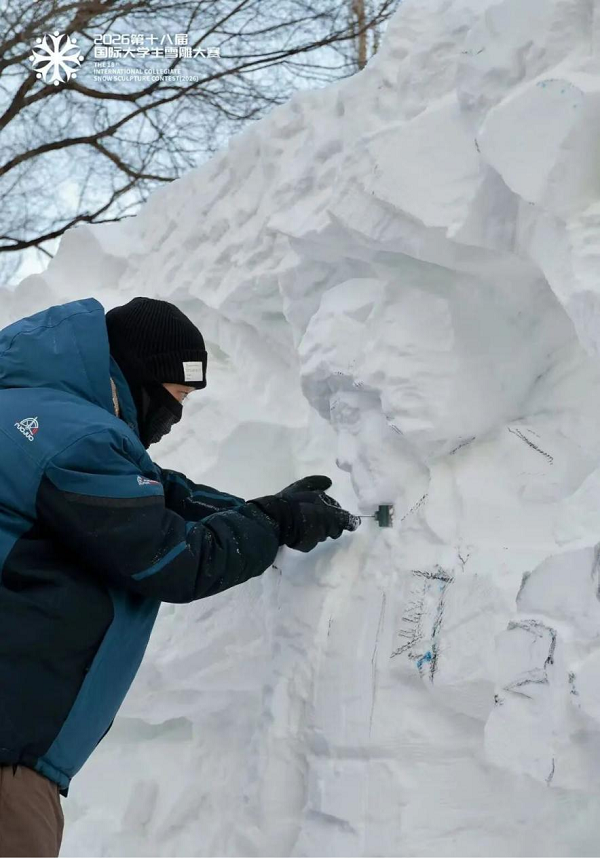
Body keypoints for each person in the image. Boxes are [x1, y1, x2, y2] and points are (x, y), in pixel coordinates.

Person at [0, 296, 359, 857]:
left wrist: (261, 511)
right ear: (141, 378)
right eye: (179, 396)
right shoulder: (75, 440)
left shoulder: (43, 418)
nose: (177, 418)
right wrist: (271, 523)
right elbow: (170, 559)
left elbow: (162, 493)